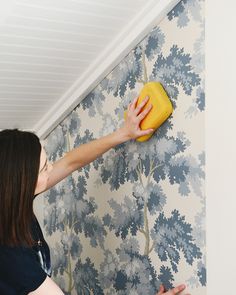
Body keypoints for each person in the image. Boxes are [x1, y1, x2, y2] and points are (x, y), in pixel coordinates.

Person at [0, 97, 190, 295]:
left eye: (47, 163)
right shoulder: (11, 254)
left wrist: (123, 133)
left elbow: (70, 162)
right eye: (44, 169)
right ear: (21, 182)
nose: (51, 169)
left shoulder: (12, 202)